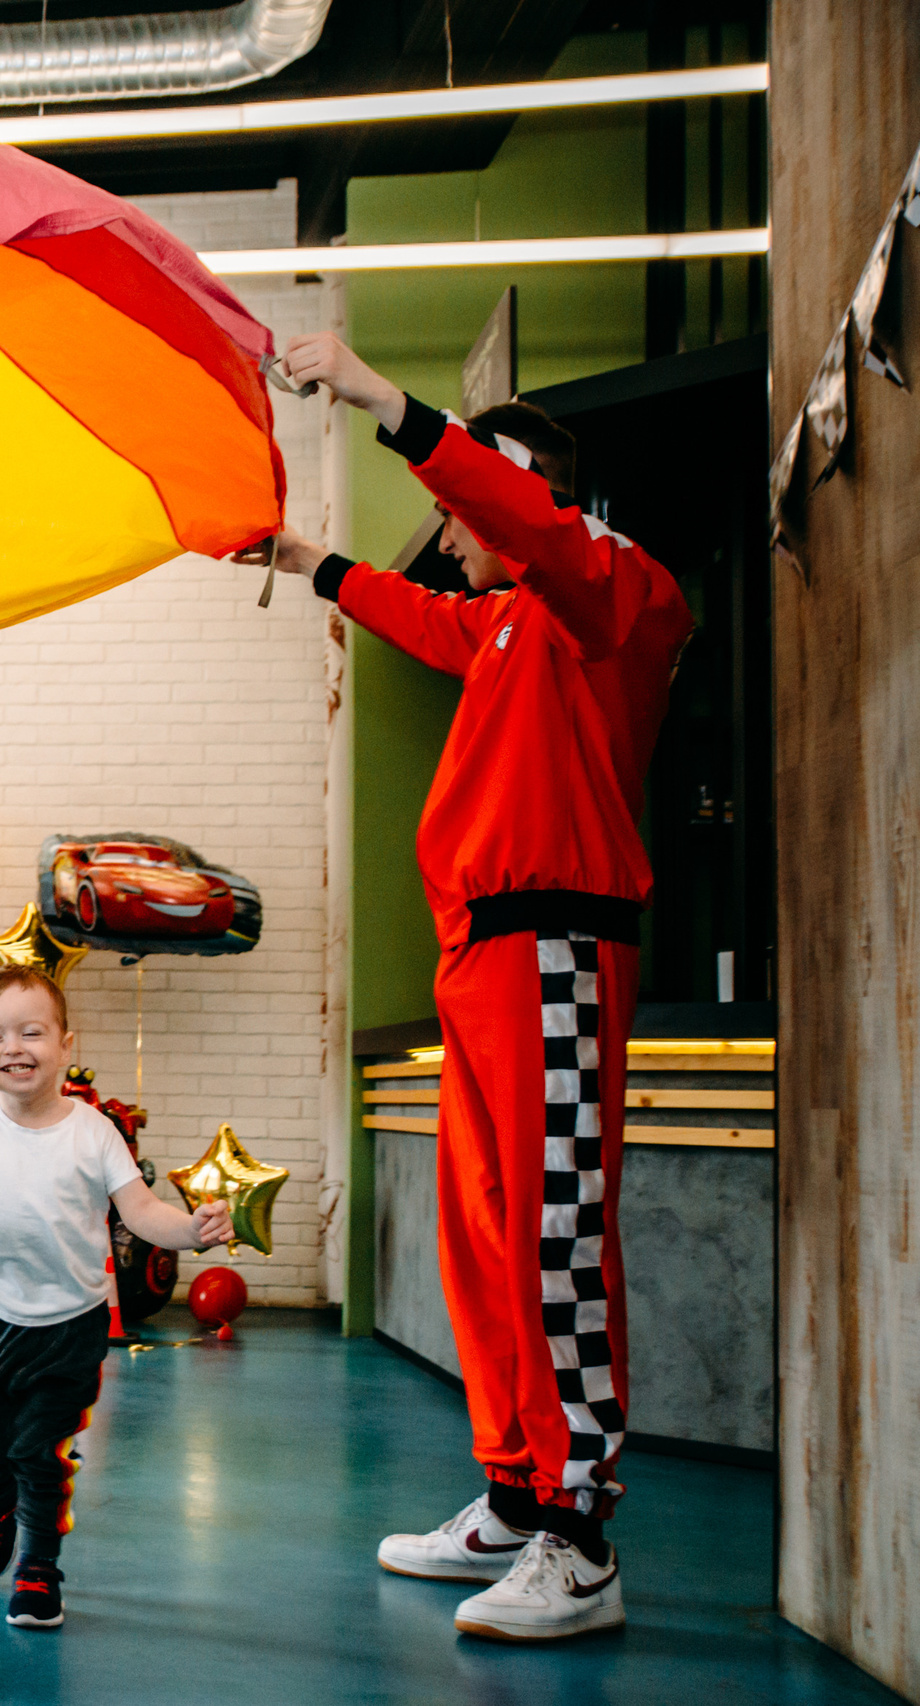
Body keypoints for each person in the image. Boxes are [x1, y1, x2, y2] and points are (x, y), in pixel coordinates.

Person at [247, 330, 690, 1642]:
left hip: (559, 942)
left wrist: (387, 402)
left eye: (458, 511)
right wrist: (299, 559)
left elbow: (522, 527)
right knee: (485, 1240)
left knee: (551, 1235)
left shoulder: (620, 595)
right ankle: (510, 1493)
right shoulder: (502, 628)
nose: (448, 539)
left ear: (522, 492)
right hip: (485, 956)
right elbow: (421, 615)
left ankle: (579, 1534)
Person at [0, 966, 229, 1631]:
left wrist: (192, 1232)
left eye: (32, 1032)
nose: (15, 1047)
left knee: (43, 1449)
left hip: (71, 1326)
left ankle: (39, 1567)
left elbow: (142, 1212)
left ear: (66, 1042)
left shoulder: (94, 1133)